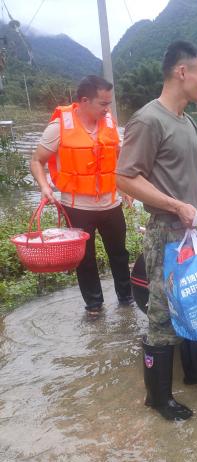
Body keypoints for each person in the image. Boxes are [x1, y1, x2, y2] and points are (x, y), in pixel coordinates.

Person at [116, 41, 197, 421]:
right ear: (182, 72)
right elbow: (125, 178)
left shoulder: (187, 121)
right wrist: (175, 205)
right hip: (167, 231)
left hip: (196, 232)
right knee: (163, 314)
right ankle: (157, 399)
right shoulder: (148, 119)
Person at [30, 75, 133, 314]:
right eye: (103, 104)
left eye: (109, 104)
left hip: (111, 204)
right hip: (77, 207)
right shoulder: (59, 128)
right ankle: (94, 306)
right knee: (85, 259)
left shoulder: (109, 124)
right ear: (84, 101)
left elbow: (120, 157)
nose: (107, 109)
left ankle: (127, 299)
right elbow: (37, 161)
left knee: (119, 253)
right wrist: (45, 187)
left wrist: (125, 188)